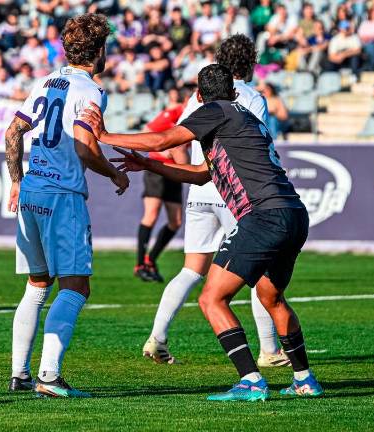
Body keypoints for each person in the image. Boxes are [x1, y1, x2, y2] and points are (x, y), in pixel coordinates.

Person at [80, 63, 323, 401]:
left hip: (263, 215)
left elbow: (165, 138)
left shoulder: (216, 111)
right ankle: (305, 379)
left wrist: (105, 136)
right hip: (294, 214)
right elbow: (199, 174)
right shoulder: (245, 119)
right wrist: (150, 164)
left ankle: (251, 381)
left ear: (198, 95)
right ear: (234, 91)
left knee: (212, 298)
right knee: (271, 297)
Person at [138, 35, 288, 369]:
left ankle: (157, 337)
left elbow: (178, 138)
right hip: (235, 192)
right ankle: (268, 350)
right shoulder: (250, 97)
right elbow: (255, 144)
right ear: (249, 63)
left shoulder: (196, 97)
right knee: (258, 272)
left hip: (199, 190)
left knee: (192, 269)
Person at [4, 13, 129, 398]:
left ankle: (20, 374)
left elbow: (13, 132)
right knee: (75, 286)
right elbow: (83, 147)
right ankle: (49, 376)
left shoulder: (43, 82)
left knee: (37, 283)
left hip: (32, 193)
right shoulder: (90, 90)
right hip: (63, 196)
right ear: (99, 51)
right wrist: (113, 173)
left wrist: (16, 180)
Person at [134, 87, 188, 283]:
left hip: (176, 171)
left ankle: (151, 259)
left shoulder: (195, 116)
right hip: (157, 168)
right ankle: (140, 263)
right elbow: (147, 132)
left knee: (176, 221)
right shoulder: (173, 113)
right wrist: (163, 149)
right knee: (152, 213)